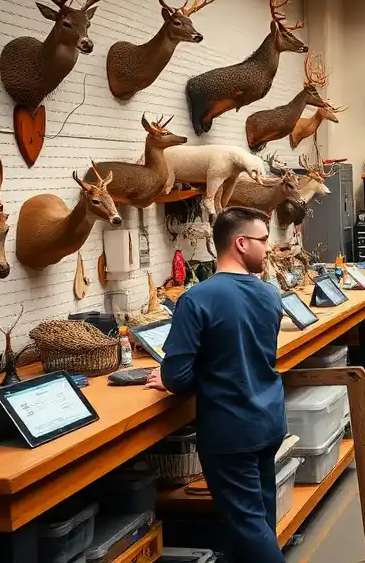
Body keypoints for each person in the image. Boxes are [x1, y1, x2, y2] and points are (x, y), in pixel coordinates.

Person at [145, 207, 286, 563]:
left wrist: (166, 379)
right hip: (268, 419)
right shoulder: (269, 294)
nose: (268, 248)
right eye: (263, 240)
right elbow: (243, 357)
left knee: (247, 524)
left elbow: (177, 376)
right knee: (261, 516)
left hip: (231, 429)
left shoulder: (196, 299)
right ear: (241, 243)